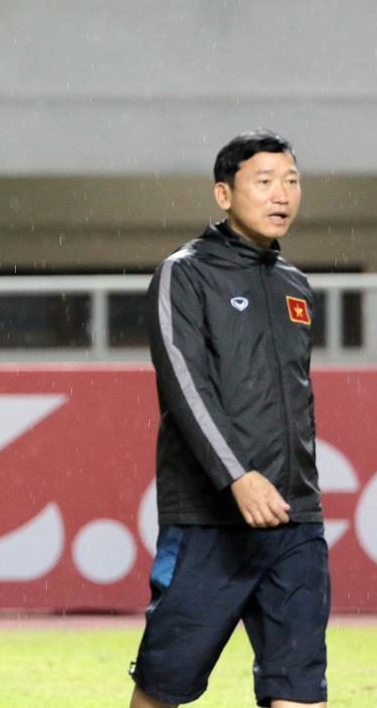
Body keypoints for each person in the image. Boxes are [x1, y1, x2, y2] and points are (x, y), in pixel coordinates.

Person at [129, 130, 328, 708]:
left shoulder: (296, 285)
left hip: (294, 521)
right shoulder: (185, 274)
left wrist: (300, 489)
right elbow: (184, 387)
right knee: (165, 687)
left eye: (291, 181)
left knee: (299, 691)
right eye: (263, 181)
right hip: (208, 524)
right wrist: (237, 475)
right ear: (224, 194)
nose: (281, 194)